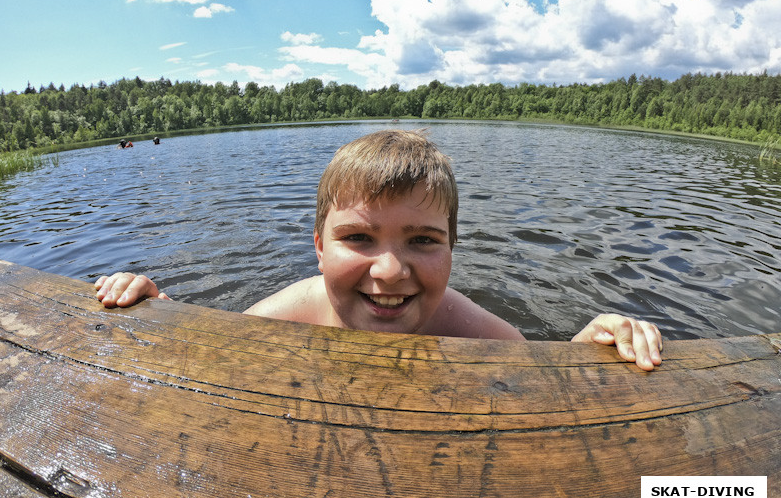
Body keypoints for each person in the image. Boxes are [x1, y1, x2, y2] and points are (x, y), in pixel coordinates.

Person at [95, 129, 663, 370]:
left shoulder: (475, 331)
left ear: (452, 250)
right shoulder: (284, 318)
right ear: (318, 248)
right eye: (359, 238)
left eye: (422, 241)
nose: (390, 272)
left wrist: (585, 352)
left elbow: (535, 380)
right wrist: (160, 309)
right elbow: (207, 359)